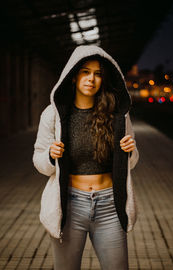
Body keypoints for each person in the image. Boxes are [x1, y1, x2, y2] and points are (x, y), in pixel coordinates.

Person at [33, 45, 139, 270]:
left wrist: (130, 151)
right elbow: (39, 161)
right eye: (85, 72)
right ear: (73, 76)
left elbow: (132, 161)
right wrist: (51, 157)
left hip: (110, 205)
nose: (91, 78)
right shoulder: (54, 115)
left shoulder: (118, 114)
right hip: (70, 207)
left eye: (98, 74)